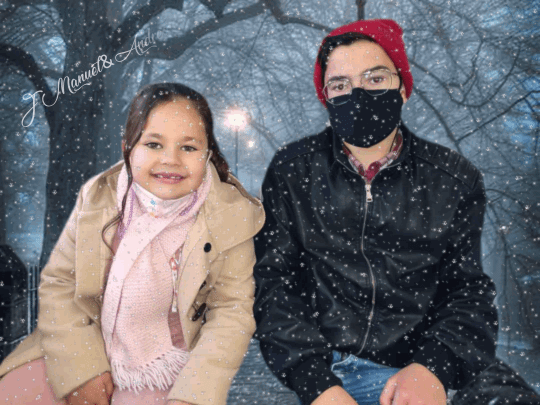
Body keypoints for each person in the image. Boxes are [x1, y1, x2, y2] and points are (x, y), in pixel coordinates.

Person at [253, 19, 498, 405]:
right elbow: (275, 285)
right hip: (323, 369)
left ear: (402, 89)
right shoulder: (293, 171)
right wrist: (315, 383)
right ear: (326, 97)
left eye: (375, 78)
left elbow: (468, 291)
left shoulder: (453, 178)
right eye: (340, 85)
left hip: (417, 371)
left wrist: (432, 367)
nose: (358, 94)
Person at [0, 83, 265, 405]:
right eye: (153, 144)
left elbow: (232, 312)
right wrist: (82, 370)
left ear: (208, 153)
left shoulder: (231, 216)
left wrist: (195, 393)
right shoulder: (99, 198)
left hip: (168, 366)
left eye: (188, 147)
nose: (170, 159)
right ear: (128, 149)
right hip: (78, 343)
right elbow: (61, 284)